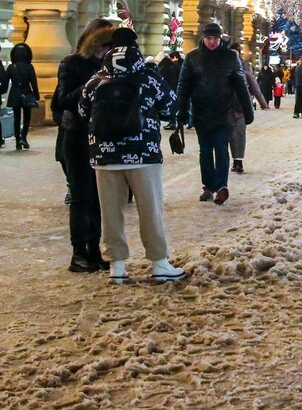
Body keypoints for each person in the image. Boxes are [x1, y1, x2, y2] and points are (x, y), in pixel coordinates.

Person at [79, 33, 184, 284]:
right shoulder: (148, 78)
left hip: (104, 156)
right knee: (150, 210)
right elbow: (171, 107)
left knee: (110, 213)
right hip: (142, 155)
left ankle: (117, 266)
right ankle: (159, 263)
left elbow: (82, 111)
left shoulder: (95, 81)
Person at [53, 19, 116, 272]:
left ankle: (94, 250)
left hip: (100, 136)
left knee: (98, 198)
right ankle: (78, 254)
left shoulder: (109, 66)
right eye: (103, 45)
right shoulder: (72, 63)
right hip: (76, 136)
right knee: (81, 197)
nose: (106, 50)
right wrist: (93, 83)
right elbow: (62, 101)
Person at [176, 23, 254, 205]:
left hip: (224, 113)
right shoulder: (192, 57)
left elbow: (240, 85)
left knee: (220, 148)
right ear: (204, 38)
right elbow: (183, 85)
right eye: (209, 38)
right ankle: (208, 186)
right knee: (205, 151)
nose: (212, 42)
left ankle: (221, 187)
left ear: (221, 39)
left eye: (216, 38)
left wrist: (247, 109)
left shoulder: (230, 58)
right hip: (201, 113)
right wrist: (180, 110)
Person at [230, 42, 269, 174]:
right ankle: (229, 161)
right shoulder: (222, 64)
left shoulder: (245, 65)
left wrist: (263, 103)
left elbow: (253, 84)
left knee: (239, 133)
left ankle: (238, 161)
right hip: (225, 105)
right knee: (226, 135)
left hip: (241, 104)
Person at [5, 43, 40, 150]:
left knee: (16, 117)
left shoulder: (11, 67)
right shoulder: (29, 67)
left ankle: (17, 140)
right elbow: (34, 82)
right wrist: (36, 95)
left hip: (15, 93)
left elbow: (5, 81)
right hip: (26, 92)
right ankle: (23, 137)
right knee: (27, 117)